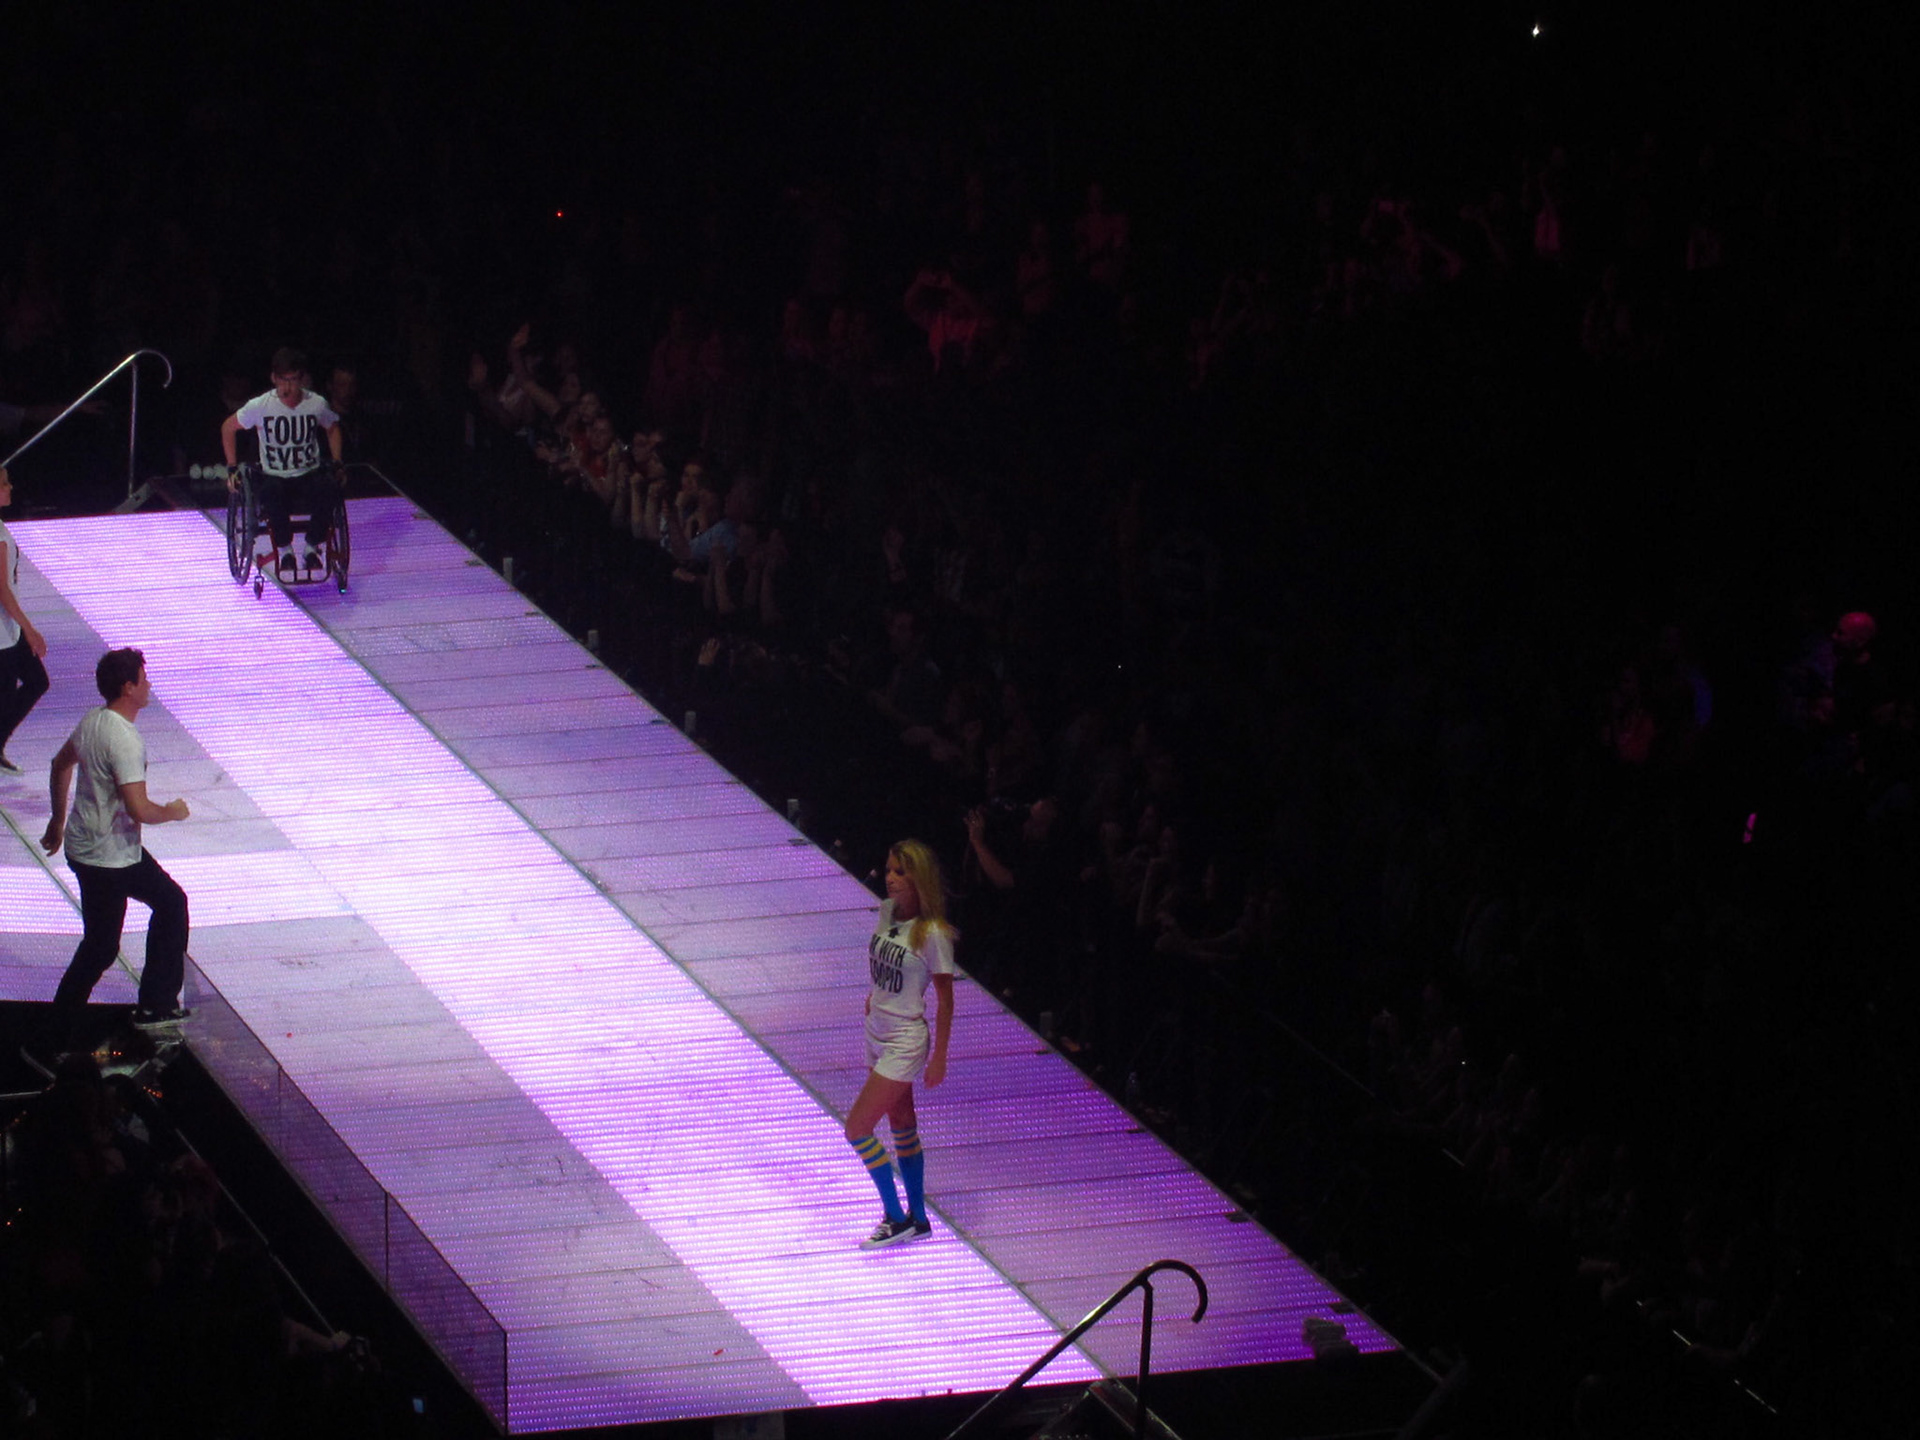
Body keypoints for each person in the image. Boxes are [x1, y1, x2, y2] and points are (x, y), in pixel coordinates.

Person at [42, 648, 193, 1037]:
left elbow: (60, 764)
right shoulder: (124, 740)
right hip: (108, 859)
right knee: (103, 945)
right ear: (128, 688)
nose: (149, 685)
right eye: (144, 678)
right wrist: (172, 811)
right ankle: (60, 1030)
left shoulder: (92, 721)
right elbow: (139, 808)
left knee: (167, 903)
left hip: (89, 847)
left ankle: (154, 1004)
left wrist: (58, 821)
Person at [844, 839, 956, 1248]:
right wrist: (875, 994)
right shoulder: (887, 912)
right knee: (903, 1123)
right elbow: (884, 963)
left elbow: (946, 999)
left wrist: (939, 1056)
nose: (890, 878)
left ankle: (895, 1217)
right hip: (876, 1030)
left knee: (858, 1128)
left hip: (905, 1040)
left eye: (900, 872)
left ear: (918, 879)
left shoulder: (934, 934)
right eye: (889, 869)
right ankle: (919, 1219)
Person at [220, 347, 344, 579]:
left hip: (308, 473)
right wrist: (232, 468)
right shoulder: (260, 405)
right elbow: (228, 428)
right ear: (274, 378)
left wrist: (337, 462)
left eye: (293, 380)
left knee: (330, 488)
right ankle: (285, 551)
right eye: (283, 380)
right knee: (270, 493)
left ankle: (311, 548)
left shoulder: (316, 403)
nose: (288, 387)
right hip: (275, 475)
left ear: (302, 379)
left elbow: (333, 428)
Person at [0, 465, 50, 775]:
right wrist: (29, 629)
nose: (10, 487)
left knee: (36, 681)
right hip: (3, 633)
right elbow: (2, 589)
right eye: (4, 484)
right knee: (11, 694)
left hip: (9, 629)